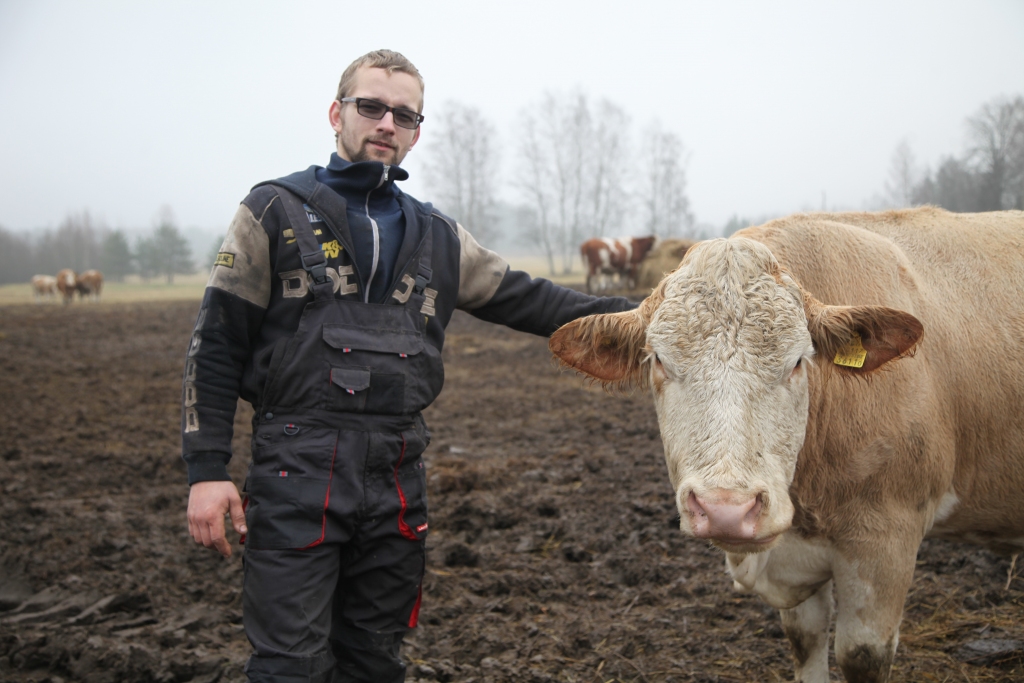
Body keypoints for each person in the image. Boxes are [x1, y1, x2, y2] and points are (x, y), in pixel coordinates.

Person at [182, 49, 635, 683]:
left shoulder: (438, 235)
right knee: (290, 666)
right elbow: (216, 343)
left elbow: (533, 300)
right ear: (337, 114)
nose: (386, 123)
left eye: (405, 115)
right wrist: (206, 470)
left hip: (397, 474)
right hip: (295, 469)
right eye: (370, 107)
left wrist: (649, 315)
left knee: (375, 660)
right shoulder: (272, 210)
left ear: (417, 131)